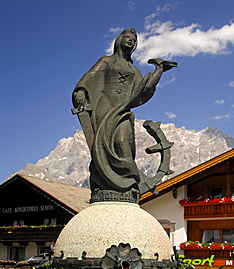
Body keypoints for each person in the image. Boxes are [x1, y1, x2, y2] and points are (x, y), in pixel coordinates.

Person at [72, 28, 176, 197]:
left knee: (122, 143)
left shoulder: (134, 71)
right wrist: (81, 90)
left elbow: (144, 89)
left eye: (134, 40)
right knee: (102, 147)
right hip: (104, 108)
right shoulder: (106, 61)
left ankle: (129, 184)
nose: (131, 41)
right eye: (127, 38)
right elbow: (89, 76)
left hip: (123, 110)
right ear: (119, 40)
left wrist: (159, 71)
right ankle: (104, 184)